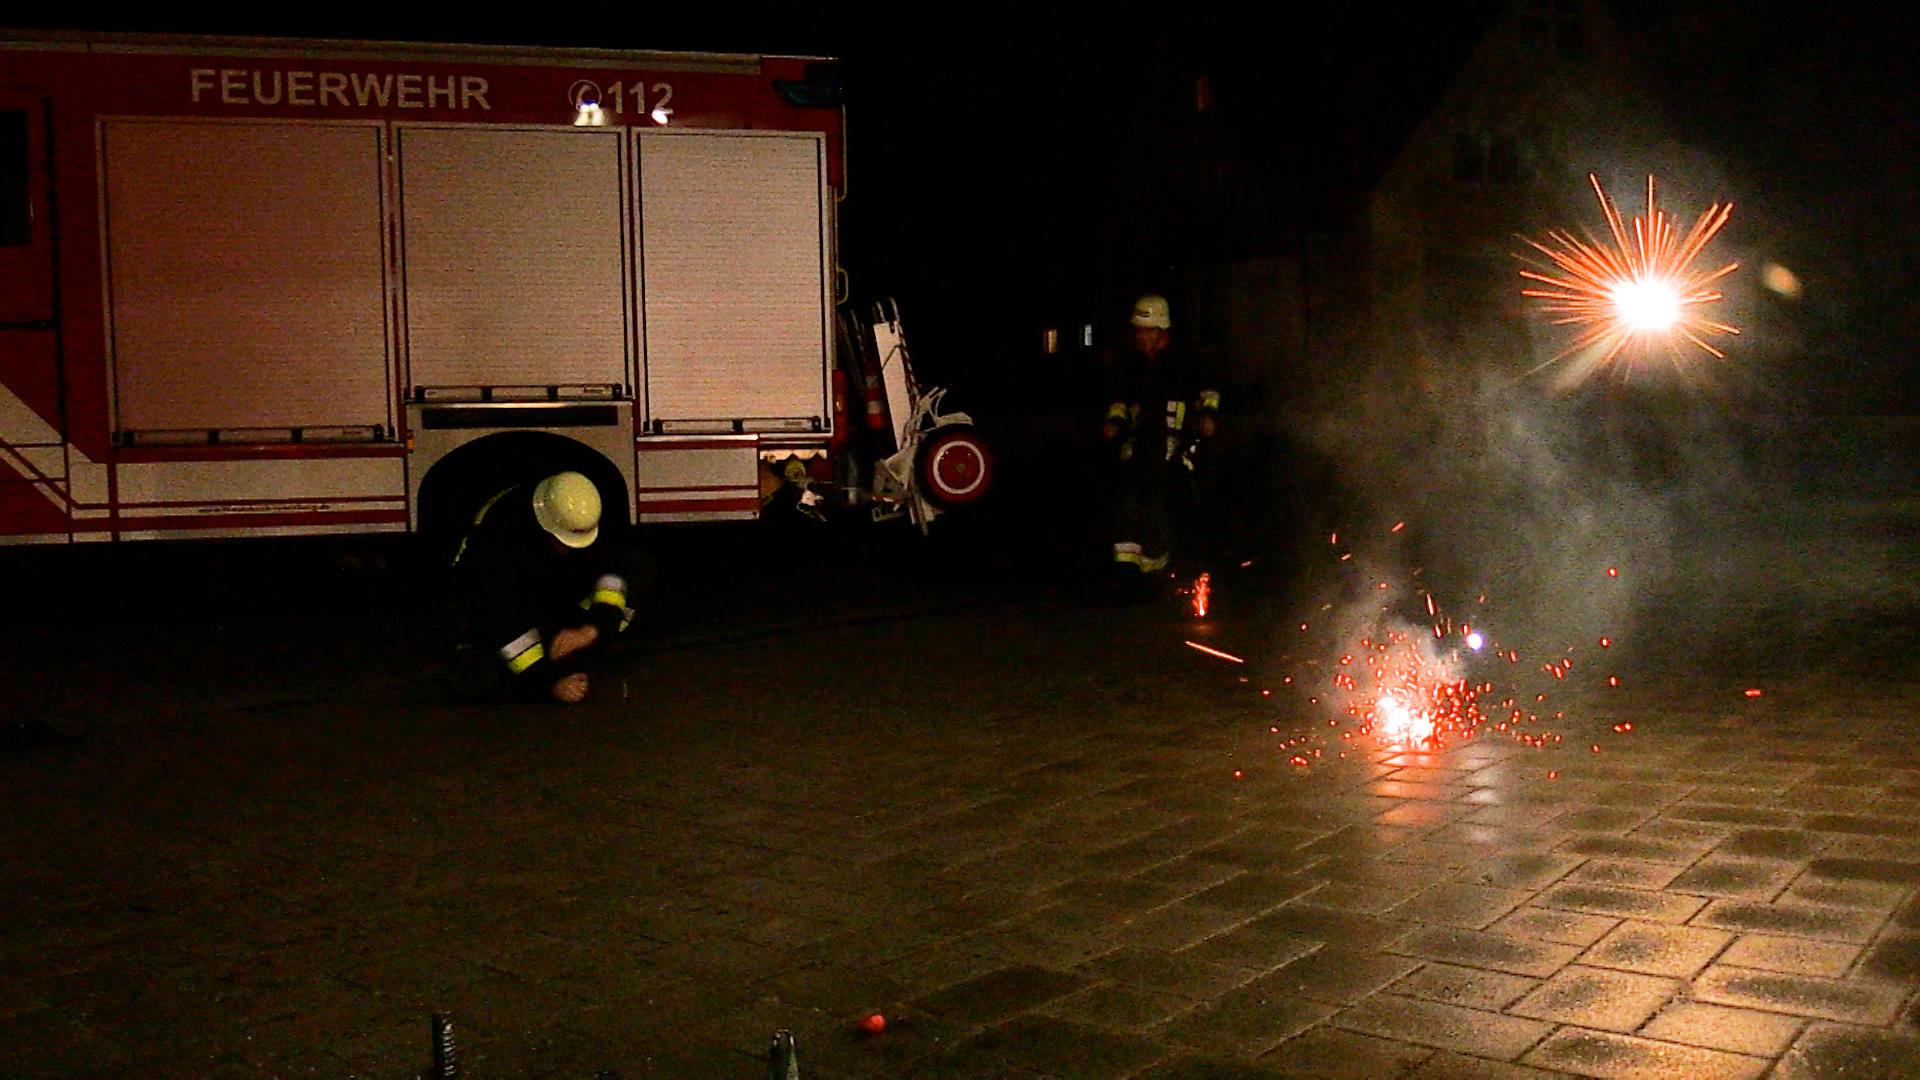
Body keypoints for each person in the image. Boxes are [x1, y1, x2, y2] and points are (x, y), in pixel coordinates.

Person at [443, 471, 651, 704]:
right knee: (478, 675)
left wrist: (592, 629)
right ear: (544, 525)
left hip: (550, 595)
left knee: (637, 567)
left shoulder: (584, 514)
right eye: (561, 541)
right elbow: (502, 620)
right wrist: (550, 682)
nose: (569, 548)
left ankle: (580, 655)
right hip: (495, 611)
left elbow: (617, 571)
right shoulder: (498, 542)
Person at [1099, 293, 1222, 594]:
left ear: (1161, 331)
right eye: (1138, 330)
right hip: (1139, 445)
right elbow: (1121, 402)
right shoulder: (1130, 365)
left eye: (1147, 330)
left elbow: (1207, 391)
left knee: (1162, 507)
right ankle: (1128, 574)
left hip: (1175, 446)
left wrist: (1207, 416)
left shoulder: (1182, 362)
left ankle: (1160, 575)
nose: (1141, 336)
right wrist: (1115, 423)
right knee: (1128, 504)